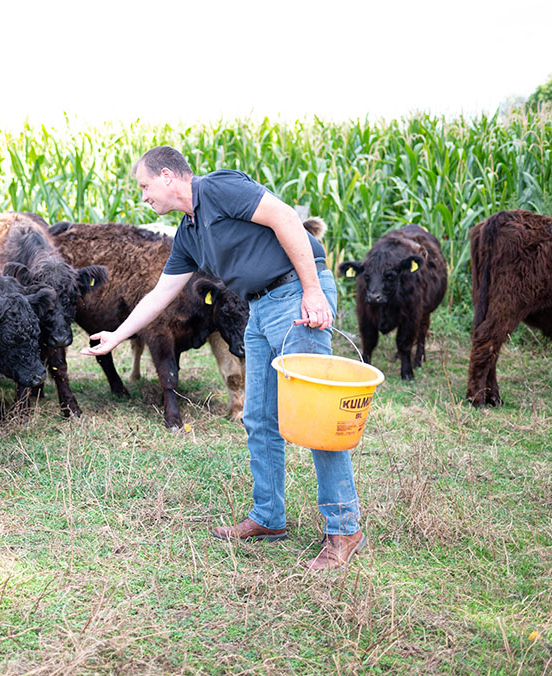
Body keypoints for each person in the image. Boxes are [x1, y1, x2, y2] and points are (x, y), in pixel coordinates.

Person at [81, 146, 366, 571]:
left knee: (317, 418)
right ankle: (268, 517)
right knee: (259, 417)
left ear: (167, 176)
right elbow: (161, 292)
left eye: (145, 187)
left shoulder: (219, 187)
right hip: (258, 306)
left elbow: (286, 218)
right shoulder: (189, 234)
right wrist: (117, 336)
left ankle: (344, 529)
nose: (144, 197)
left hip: (295, 294)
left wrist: (312, 290)